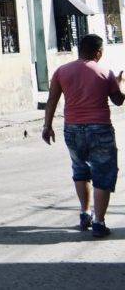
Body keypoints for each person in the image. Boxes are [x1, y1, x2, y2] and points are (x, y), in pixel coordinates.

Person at [42, 33, 125, 238]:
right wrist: (120, 83)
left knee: (80, 170)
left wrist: (47, 126)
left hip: (72, 129)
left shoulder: (61, 71)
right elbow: (118, 101)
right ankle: (99, 222)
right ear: (98, 52)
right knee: (103, 175)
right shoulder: (105, 72)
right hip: (100, 129)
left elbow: (51, 100)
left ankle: (84, 213)